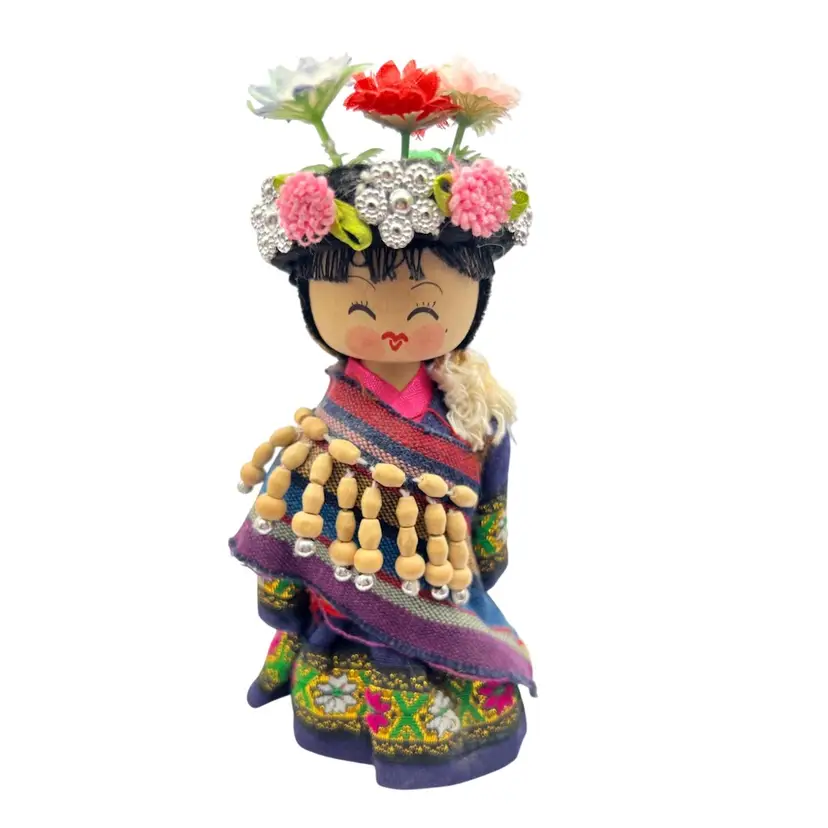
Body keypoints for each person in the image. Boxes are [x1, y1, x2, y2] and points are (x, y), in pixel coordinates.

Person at [231, 56, 535, 788]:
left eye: (427, 306)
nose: (393, 327)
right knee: (345, 664)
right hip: (341, 607)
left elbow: (488, 520)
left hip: (442, 595)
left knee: (450, 670)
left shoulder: (474, 417)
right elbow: (287, 514)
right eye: (359, 308)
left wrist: (471, 566)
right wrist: (290, 589)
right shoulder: (321, 433)